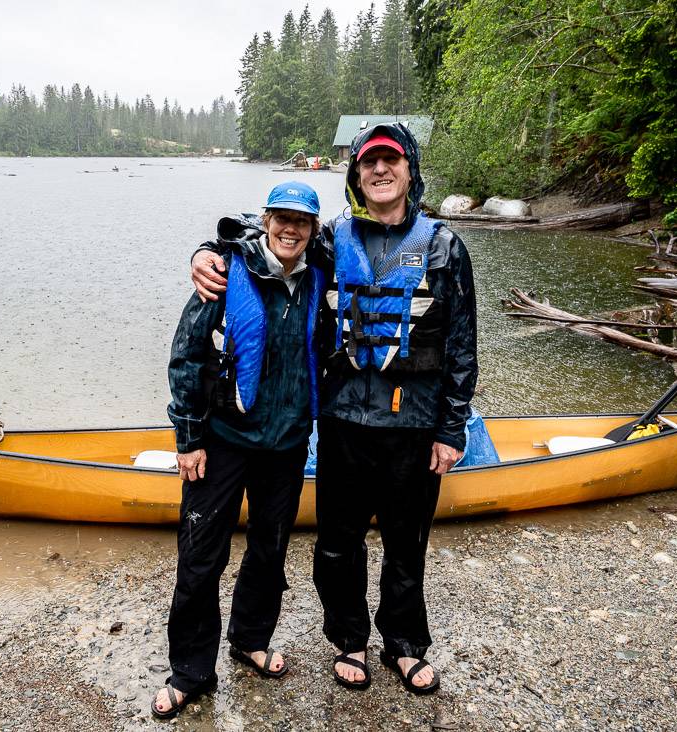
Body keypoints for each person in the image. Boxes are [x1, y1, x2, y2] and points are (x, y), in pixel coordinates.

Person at [191, 123, 478, 695]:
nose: (379, 170)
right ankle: (349, 639)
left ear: (408, 171)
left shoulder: (445, 247)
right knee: (336, 544)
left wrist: (452, 428)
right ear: (355, 176)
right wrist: (207, 251)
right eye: (368, 162)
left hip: (414, 425)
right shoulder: (330, 238)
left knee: (406, 544)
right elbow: (272, 238)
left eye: (390, 161)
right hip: (344, 422)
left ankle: (403, 643)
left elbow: (462, 345)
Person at [152, 181, 326, 719]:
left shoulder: (322, 275)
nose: (290, 229)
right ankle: (190, 669)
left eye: (302, 221)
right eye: (282, 218)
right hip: (223, 442)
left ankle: (249, 638)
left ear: (314, 230)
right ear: (266, 221)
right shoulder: (225, 274)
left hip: (287, 444)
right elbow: (185, 358)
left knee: (270, 551)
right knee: (201, 557)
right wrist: (188, 439)